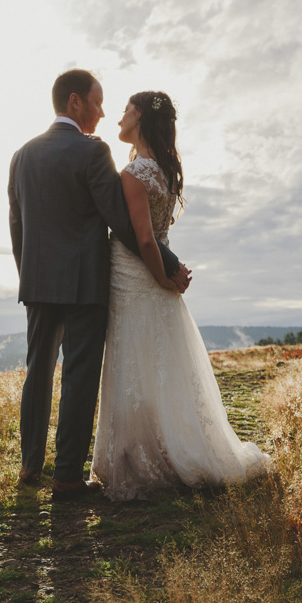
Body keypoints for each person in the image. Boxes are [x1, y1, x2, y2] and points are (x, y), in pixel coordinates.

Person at [7, 69, 191, 498]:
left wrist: (28, 275)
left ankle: (30, 467)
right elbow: (123, 223)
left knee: (37, 371)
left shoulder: (21, 154)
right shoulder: (93, 153)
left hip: (37, 284)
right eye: (97, 102)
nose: (103, 112)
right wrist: (170, 262)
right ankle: (67, 476)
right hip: (84, 285)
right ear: (75, 102)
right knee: (78, 375)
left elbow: (17, 224)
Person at [89, 91, 273, 501]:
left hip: (137, 279)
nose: (118, 117)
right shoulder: (165, 172)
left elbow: (144, 240)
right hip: (151, 281)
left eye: (125, 111)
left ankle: (140, 458)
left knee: (134, 361)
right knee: (161, 365)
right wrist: (170, 276)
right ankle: (157, 448)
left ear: (139, 118)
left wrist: (164, 277)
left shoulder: (135, 172)